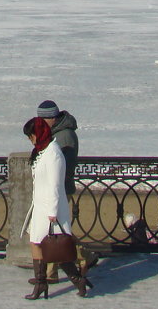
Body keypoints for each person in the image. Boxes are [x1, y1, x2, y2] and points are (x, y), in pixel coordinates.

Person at [21, 117, 90, 299]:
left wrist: (52, 212)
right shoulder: (42, 151)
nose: (31, 140)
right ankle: (41, 283)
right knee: (37, 243)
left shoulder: (53, 154)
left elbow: (55, 185)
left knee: (54, 248)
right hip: (40, 207)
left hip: (51, 209)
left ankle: (76, 279)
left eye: (32, 135)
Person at [35, 100, 99, 282]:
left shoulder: (65, 136)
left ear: (51, 118)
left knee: (56, 232)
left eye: (42, 119)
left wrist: (54, 187)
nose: (39, 122)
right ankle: (51, 273)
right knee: (54, 231)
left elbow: (64, 167)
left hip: (60, 189)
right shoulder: (56, 134)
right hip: (56, 189)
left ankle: (84, 255)